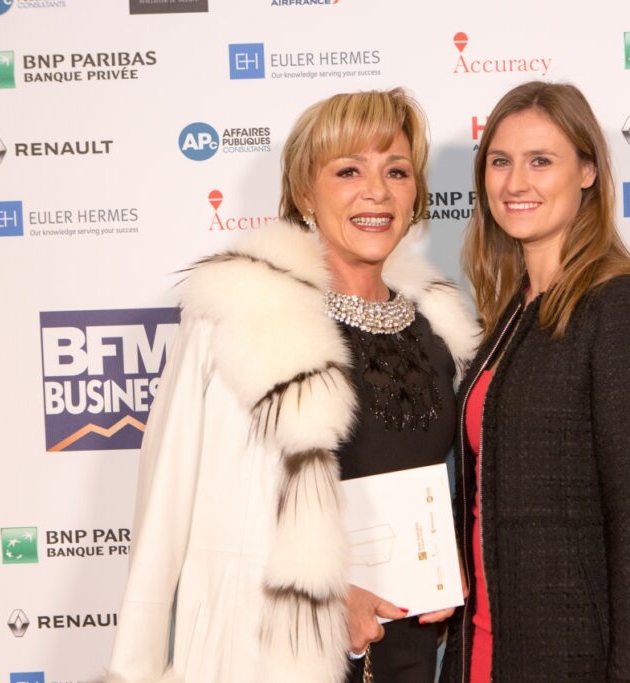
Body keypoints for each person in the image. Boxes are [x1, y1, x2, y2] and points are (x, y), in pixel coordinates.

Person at [107, 88, 478, 683]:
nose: (376, 191)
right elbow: (167, 505)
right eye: (348, 170)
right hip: (274, 656)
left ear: (416, 194)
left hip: (413, 655)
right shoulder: (239, 315)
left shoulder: (444, 329)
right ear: (305, 192)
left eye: (397, 171)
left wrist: (460, 568)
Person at [440, 81, 630, 682]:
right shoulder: (513, 312)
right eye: (500, 162)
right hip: (484, 652)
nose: (515, 182)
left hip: (574, 659)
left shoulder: (621, 305)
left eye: (540, 161)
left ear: (587, 172)